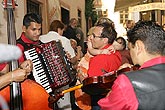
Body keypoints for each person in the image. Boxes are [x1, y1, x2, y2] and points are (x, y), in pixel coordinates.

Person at [98, 20, 165, 110]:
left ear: (138, 47)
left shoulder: (127, 82)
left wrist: (117, 82)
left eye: (130, 49)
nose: (130, 54)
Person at [11, 13, 51, 110]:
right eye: (33, 29)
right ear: (24, 29)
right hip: (30, 96)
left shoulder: (41, 45)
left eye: (39, 29)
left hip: (46, 93)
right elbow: (15, 72)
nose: (37, 33)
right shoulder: (18, 47)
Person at [39, 20, 79, 110]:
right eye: (62, 30)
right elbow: (72, 59)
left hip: (45, 77)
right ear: (59, 29)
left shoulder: (40, 38)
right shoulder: (64, 40)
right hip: (60, 77)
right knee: (65, 107)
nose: (62, 33)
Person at [87, 22, 122, 110]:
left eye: (94, 36)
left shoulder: (99, 59)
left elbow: (92, 86)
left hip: (100, 100)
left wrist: (80, 76)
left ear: (105, 40)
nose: (91, 39)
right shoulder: (115, 53)